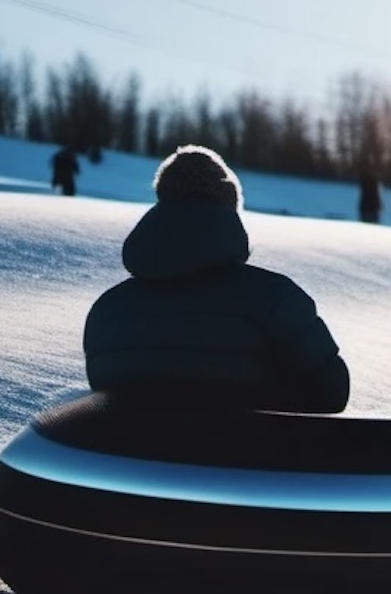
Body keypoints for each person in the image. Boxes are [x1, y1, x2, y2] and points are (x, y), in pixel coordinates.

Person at [84, 144, 350, 412]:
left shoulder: (107, 312)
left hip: (131, 454)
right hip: (250, 452)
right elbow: (332, 393)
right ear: (230, 211)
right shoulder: (274, 298)